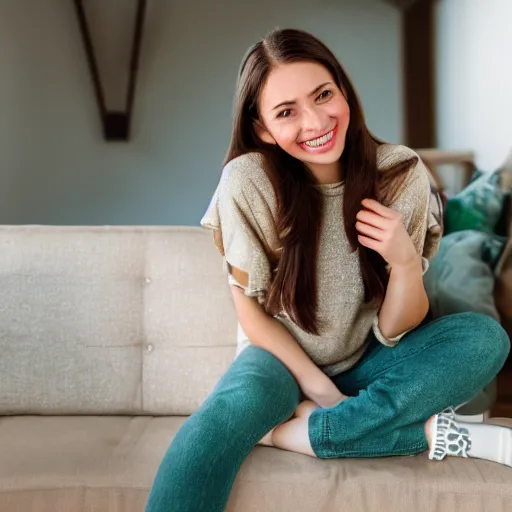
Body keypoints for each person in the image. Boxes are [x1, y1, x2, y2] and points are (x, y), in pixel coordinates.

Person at [145, 28, 511, 512]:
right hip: (280, 361)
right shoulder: (247, 182)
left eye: (323, 95)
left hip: (370, 357)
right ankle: (417, 432)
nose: (317, 120)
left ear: (343, 90)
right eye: (286, 112)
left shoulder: (400, 173)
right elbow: (250, 311)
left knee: (485, 340)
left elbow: (395, 328)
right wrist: (319, 391)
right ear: (261, 128)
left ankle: (289, 435)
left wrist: (403, 261)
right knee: (210, 434)